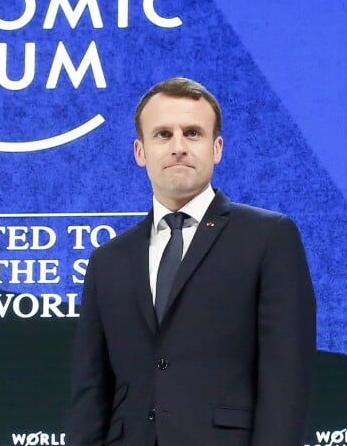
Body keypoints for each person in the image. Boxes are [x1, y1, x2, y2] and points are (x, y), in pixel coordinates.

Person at [67, 77, 316, 446]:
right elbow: (90, 389)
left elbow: (287, 375)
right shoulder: (108, 260)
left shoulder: (268, 237)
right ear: (140, 151)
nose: (179, 147)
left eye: (193, 133)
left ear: (217, 148)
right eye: (163, 134)